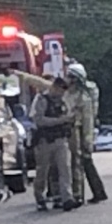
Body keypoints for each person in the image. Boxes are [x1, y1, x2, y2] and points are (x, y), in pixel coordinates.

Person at [29, 77, 79, 211]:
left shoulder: (63, 100)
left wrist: (69, 119)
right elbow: (39, 120)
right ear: (54, 87)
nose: (61, 94)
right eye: (60, 90)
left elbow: (68, 114)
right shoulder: (42, 100)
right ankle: (39, 196)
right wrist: (59, 120)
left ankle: (66, 198)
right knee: (42, 171)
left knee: (65, 169)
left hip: (61, 139)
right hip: (45, 141)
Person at [63, 62, 108, 204]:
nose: (68, 79)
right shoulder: (71, 92)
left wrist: (88, 141)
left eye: (71, 76)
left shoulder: (85, 95)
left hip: (82, 129)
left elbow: (89, 118)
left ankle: (83, 194)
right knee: (83, 162)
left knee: (82, 161)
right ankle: (98, 192)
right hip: (74, 130)